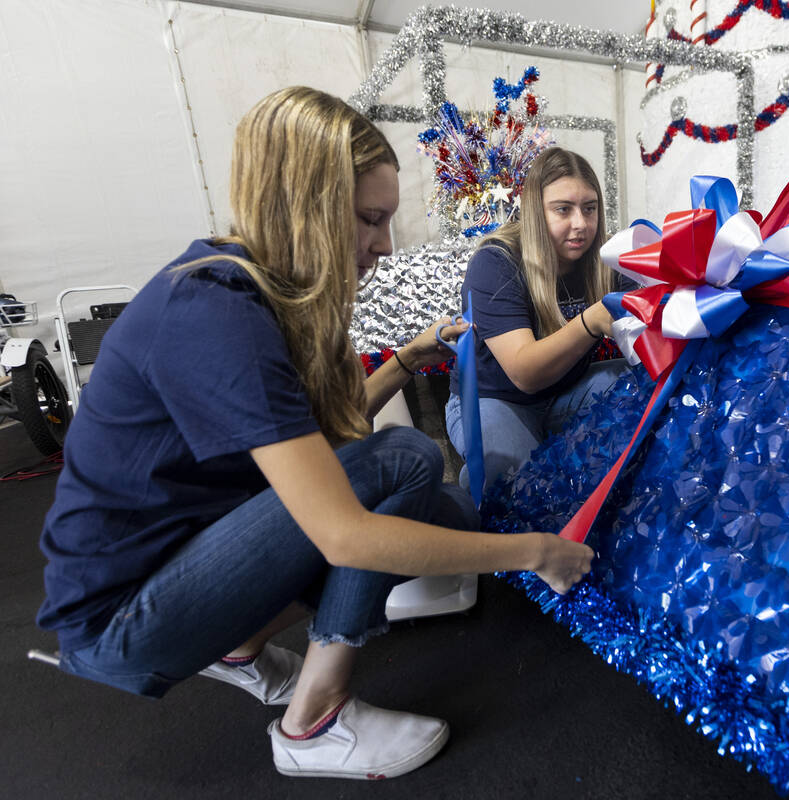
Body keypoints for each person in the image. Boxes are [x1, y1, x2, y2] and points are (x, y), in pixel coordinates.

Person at [35, 86, 594, 781]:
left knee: (443, 506)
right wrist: (534, 551)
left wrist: (407, 358)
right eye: (369, 220)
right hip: (119, 620)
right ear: (308, 204)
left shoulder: (260, 293)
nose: (384, 247)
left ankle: (238, 643)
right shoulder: (215, 312)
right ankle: (312, 722)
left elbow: (324, 431)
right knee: (406, 458)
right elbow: (344, 527)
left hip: (181, 558)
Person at [445, 147, 629, 492]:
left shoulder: (604, 257)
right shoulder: (495, 262)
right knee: (515, 484)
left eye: (589, 209)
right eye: (563, 210)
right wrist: (590, 322)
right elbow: (524, 374)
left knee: (642, 388)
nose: (581, 224)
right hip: (495, 399)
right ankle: (474, 502)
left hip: (566, 391)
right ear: (534, 212)